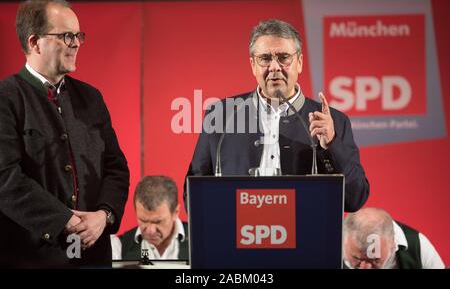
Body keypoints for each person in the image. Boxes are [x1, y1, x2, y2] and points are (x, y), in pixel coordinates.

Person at [186, 19, 369, 212]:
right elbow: (192, 195)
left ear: (299, 62)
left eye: (283, 57)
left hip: (304, 238)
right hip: (237, 237)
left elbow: (355, 199)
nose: (274, 67)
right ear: (253, 65)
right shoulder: (222, 116)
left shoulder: (333, 121)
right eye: (265, 58)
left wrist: (331, 145)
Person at [0, 0, 130, 268]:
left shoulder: (91, 98)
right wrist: (64, 221)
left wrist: (103, 215)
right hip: (31, 257)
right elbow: (6, 179)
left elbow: (115, 167)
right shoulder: (7, 98)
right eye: (66, 36)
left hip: (93, 257)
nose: (76, 43)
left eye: (78, 35)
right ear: (34, 42)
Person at [111, 176, 188, 261]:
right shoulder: (119, 247)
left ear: (175, 212)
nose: (150, 231)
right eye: (143, 220)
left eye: (158, 222)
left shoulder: (201, 242)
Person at [343, 207, 445, 269]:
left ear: (393, 243)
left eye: (375, 260)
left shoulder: (418, 245)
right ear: (343, 242)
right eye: (356, 258)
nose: (365, 268)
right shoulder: (329, 242)